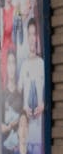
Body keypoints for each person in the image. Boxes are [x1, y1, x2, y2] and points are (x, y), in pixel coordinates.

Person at [18, 17, 44, 145]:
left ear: (37, 37)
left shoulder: (42, 64)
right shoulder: (24, 65)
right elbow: (19, 93)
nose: (32, 38)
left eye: (34, 34)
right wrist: (24, 107)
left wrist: (43, 105)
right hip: (27, 127)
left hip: (41, 125)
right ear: (27, 37)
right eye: (29, 34)